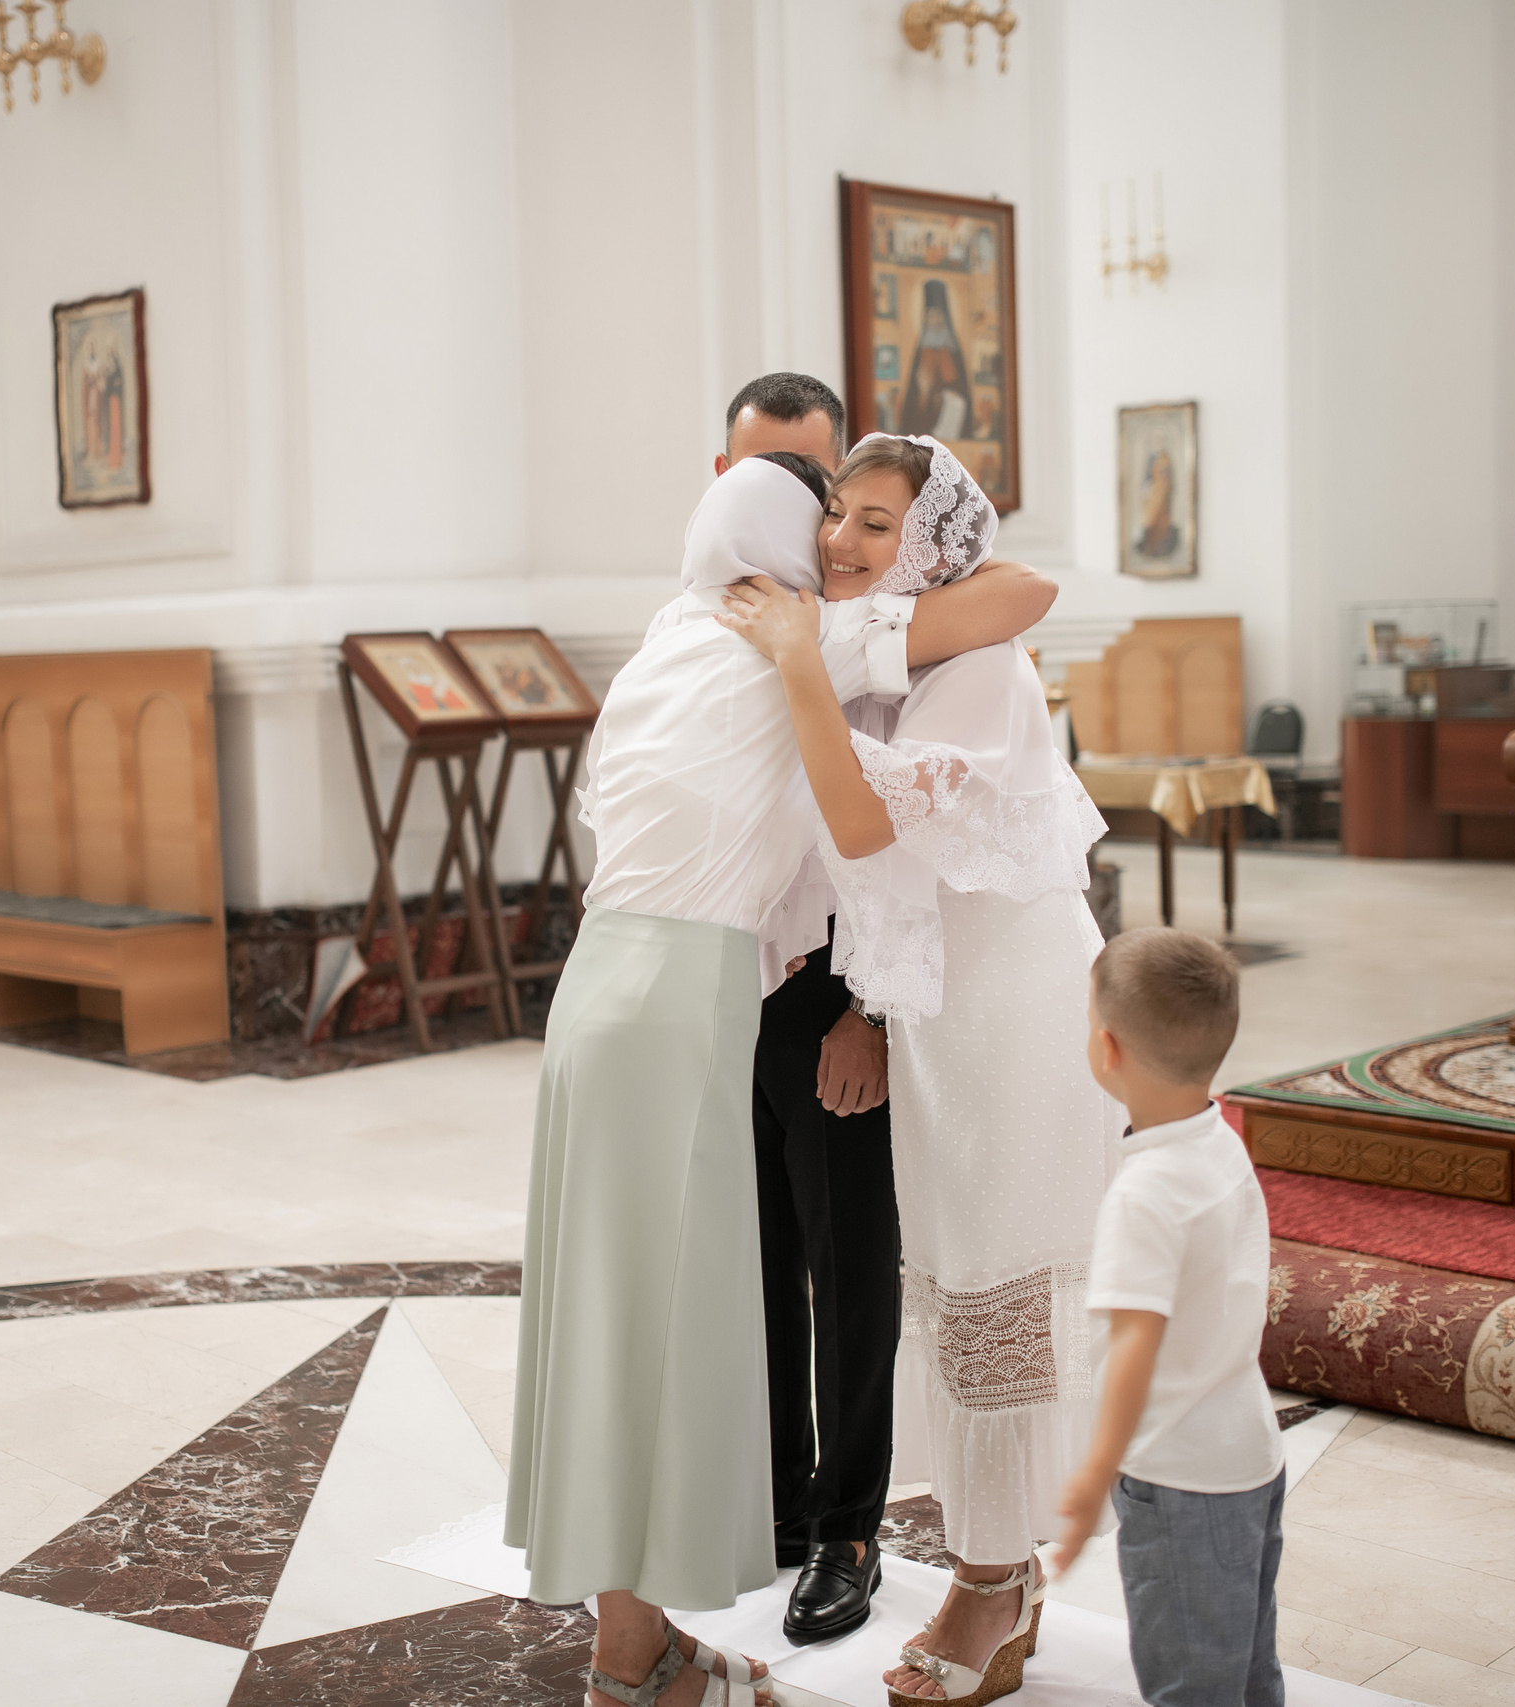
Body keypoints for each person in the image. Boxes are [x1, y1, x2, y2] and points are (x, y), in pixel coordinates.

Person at [508, 454, 1057, 1707]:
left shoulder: (663, 640)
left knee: (614, 1315)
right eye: (823, 523)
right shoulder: (794, 634)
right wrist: (812, 629)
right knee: (669, 1328)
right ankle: (624, 1664)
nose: (836, 546)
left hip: (596, 983)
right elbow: (1021, 593)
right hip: (685, 991)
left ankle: (636, 1640)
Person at [718, 434, 1115, 1706]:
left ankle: (989, 1586)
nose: (840, 540)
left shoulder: (977, 660)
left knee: (986, 1268)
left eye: (876, 523)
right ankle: (1000, 1564)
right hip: (941, 1005)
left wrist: (791, 663)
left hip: (1004, 1008)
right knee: (950, 1276)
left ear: (934, 544)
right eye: (837, 512)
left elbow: (865, 825)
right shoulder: (896, 648)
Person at [715, 374, 904, 1648]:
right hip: (722, 985)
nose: (798, 513)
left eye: (811, 483)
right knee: (752, 1261)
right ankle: (779, 1499)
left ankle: (847, 1528)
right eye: (763, 476)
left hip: (839, 986)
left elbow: (904, 849)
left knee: (847, 1268)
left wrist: (873, 1014)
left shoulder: (889, 633)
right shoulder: (699, 611)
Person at [1051, 928, 1285, 1707]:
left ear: (1107, 1049)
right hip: (1248, 1451)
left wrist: (1090, 1475)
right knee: (1248, 1669)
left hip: (1178, 1474)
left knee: (1191, 1684)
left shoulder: (1144, 1193)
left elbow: (1133, 1348)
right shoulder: (1218, 1141)